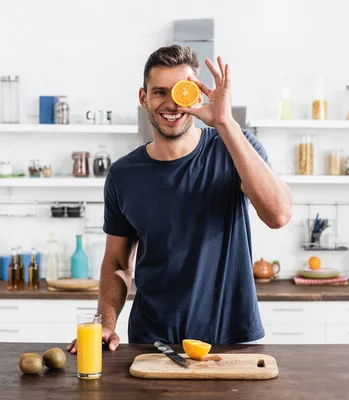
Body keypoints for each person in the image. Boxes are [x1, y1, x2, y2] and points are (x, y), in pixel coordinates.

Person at [67, 45, 292, 353]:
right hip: (154, 343)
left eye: (181, 92)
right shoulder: (123, 175)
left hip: (232, 340)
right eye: (159, 92)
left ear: (197, 95)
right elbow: (117, 262)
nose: (171, 103)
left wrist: (226, 124)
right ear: (143, 98)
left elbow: (278, 215)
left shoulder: (234, 148)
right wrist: (105, 322)